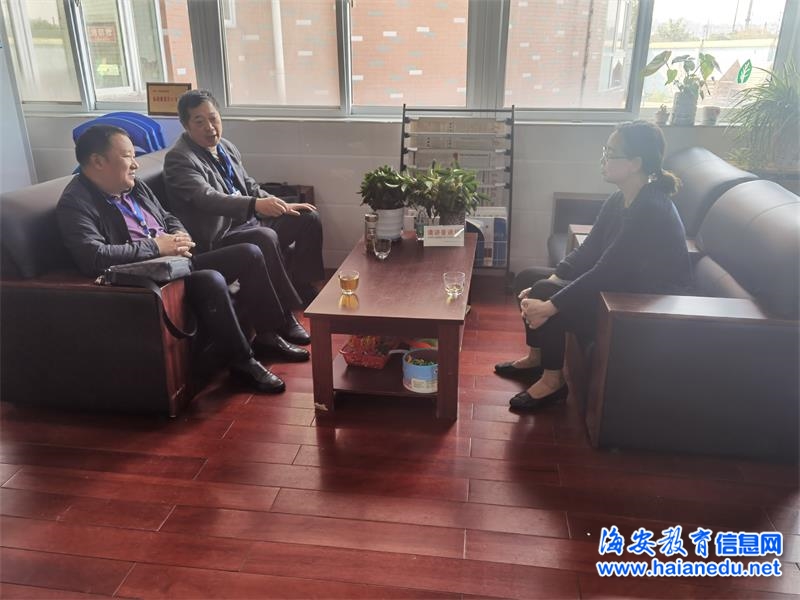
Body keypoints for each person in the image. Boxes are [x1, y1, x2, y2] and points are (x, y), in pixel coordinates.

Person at [57, 125, 311, 395]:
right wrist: (156, 247)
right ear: (98, 161)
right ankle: (242, 362)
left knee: (250, 252)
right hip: (149, 277)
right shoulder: (76, 203)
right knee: (211, 279)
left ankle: (269, 334)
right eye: (127, 156)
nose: (135, 164)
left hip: (177, 260)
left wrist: (180, 235)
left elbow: (167, 216)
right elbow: (93, 256)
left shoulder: (132, 185)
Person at [494, 120, 692, 410]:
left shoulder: (650, 208)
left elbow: (609, 270)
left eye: (610, 153)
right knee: (529, 278)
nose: (603, 160)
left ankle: (553, 382)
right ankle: (537, 359)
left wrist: (549, 305)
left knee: (545, 293)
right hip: (621, 284)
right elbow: (589, 251)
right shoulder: (619, 199)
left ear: (635, 163)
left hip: (640, 305)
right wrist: (554, 278)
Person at [163, 89, 324, 319]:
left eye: (213, 118)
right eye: (199, 122)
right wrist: (255, 205)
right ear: (185, 125)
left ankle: (303, 287)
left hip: (248, 221)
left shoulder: (225, 147)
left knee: (307, 218)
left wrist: (279, 204)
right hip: (221, 236)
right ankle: (284, 313)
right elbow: (206, 197)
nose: (210, 127)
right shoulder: (179, 158)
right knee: (264, 236)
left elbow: (248, 185)